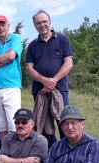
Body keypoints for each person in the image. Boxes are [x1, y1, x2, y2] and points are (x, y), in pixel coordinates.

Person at [26, 10, 73, 147]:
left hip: (60, 90)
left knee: (64, 121)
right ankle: (51, 154)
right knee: (44, 125)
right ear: (35, 25)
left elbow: (68, 63)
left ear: (50, 22)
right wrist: (43, 80)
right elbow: (29, 68)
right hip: (40, 91)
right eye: (38, 23)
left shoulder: (62, 39)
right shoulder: (32, 45)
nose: (42, 25)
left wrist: (53, 81)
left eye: (44, 21)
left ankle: (68, 152)